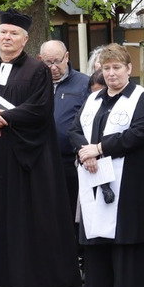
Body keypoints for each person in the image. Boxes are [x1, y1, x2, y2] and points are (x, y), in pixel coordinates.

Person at [0, 10, 81, 287]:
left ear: (25, 39)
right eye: (3, 33)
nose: (7, 38)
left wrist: (2, 118)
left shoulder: (36, 71)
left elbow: (40, 109)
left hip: (25, 161)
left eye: (14, 34)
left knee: (27, 223)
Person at [70, 44, 144, 287]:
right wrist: (85, 153)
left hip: (129, 181)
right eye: (105, 68)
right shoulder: (93, 100)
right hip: (95, 179)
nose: (110, 74)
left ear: (129, 69)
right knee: (102, 241)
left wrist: (99, 148)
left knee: (127, 241)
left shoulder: (142, 98)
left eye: (116, 68)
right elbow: (74, 130)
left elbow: (138, 133)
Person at [39, 39, 92, 249]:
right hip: (42, 161)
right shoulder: (35, 83)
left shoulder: (83, 83)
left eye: (57, 61)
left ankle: (79, 257)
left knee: (73, 212)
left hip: (71, 162)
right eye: (47, 63)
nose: (53, 67)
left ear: (67, 57)